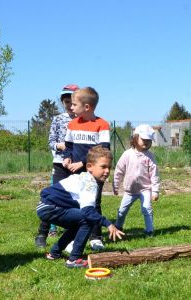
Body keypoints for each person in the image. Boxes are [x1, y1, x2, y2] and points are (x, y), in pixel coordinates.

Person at [37, 146, 124, 268]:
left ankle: (54, 253)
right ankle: (74, 259)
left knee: (77, 224)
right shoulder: (89, 183)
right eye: (103, 167)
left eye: (109, 167)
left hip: (45, 206)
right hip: (50, 207)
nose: (107, 171)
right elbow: (88, 211)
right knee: (87, 220)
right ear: (89, 167)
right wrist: (108, 224)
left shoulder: (84, 177)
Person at [62, 87, 111, 250]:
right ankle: (72, 238)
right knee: (74, 204)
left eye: (75, 104)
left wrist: (82, 163)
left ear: (87, 107)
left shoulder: (102, 125)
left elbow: (103, 148)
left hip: (94, 173)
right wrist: (67, 157)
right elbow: (68, 145)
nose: (71, 107)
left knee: (93, 203)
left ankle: (96, 237)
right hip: (76, 173)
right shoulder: (72, 124)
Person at [35, 84, 78, 248]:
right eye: (66, 101)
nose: (69, 104)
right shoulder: (58, 119)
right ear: (63, 102)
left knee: (77, 199)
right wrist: (61, 146)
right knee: (54, 197)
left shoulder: (83, 120)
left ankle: (77, 232)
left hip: (77, 164)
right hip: (60, 163)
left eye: (72, 101)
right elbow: (51, 142)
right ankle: (42, 233)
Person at [112, 124, 160, 237]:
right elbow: (119, 170)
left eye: (149, 140)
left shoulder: (150, 157)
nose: (146, 142)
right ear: (135, 138)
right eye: (144, 139)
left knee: (147, 208)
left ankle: (149, 230)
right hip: (130, 191)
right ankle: (118, 226)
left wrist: (155, 191)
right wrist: (115, 186)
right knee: (122, 210)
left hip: (145, 189)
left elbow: (155, 174)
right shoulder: (127, 154)